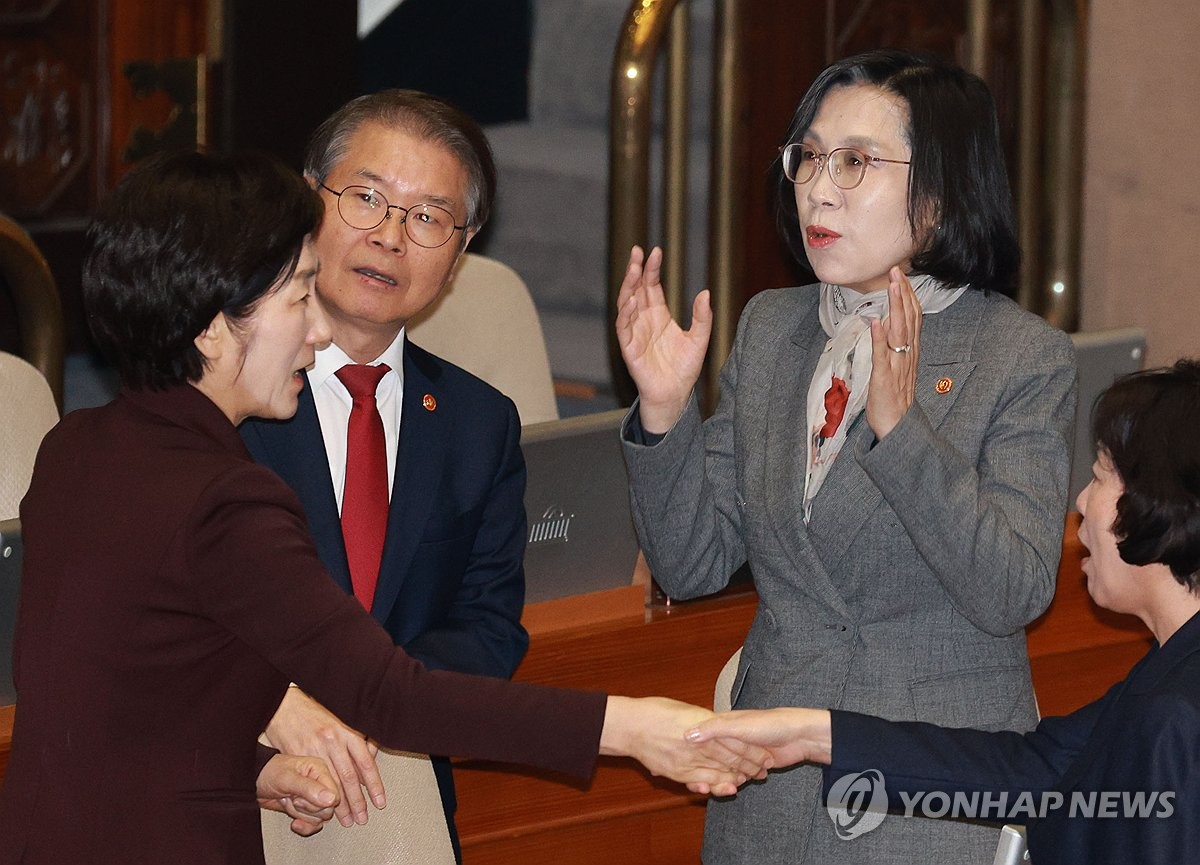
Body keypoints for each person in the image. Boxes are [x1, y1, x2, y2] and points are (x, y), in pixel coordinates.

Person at [0, 149, 768, 865]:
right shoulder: (224, 500)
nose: (320, 329)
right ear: (211, 326)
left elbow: (108, 707)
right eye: (300, 294)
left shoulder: (77, 450)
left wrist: (256, 769)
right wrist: (635, 727)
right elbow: (392, 695)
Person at [616, 48, 1077, 863]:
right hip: (767, 793)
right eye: (809, 158)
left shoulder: (1019, 356)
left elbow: (1013, 590)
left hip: (926, 798)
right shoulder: (771, 329)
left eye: (856, 163)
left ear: (938, 192)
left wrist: (902, 435)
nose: (819, 189)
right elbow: (691, 565)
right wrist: (663, 412)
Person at [688, 360, 1200, 865]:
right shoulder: (1172, 671)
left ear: (1157, 502)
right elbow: (1035, 771)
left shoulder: (1174, 715)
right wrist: (810, 734)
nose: (1083, 502)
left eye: (1100, 476)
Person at [238, 89, 526, 852]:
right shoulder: (221, 395)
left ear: (459, 255)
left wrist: (363, 705)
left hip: (395, 792)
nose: (391, 236)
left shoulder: (479, 423)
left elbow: (490, 632)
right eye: (366, 198)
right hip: (230, 778)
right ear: (308, 201)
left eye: (428, 217)